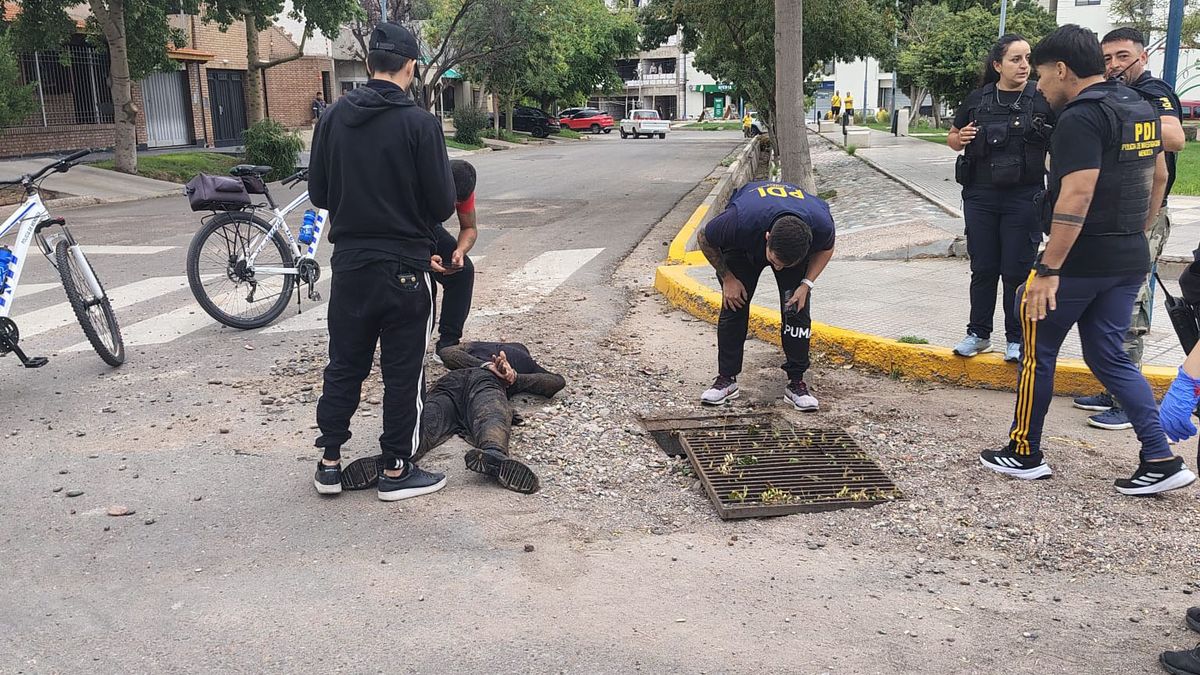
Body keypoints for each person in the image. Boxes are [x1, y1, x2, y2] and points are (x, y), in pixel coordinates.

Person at [978, 25, 1194, 496]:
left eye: (1041, 75)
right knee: (1111, 356)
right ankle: (1160, 457)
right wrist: (1136, 233)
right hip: (1128, 256)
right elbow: (1158, 175)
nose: (1038, 86)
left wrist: (1049, 269)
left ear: (1061, 69)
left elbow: (1077, 193)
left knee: (1038, 351)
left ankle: (1024, 452)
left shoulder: (1080, 117)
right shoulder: (1137, 106)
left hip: (1077, 261)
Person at [308, 22, 458, 502]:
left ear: (370, 63)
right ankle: (395, 469)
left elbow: (318, 193)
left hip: (350, 264)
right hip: (404, 269)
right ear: (411, 65)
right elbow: (440, 205)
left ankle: (329, 462)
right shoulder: (420, 124)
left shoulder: (331, 118)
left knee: (344, 364)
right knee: (403, 371)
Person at [1073, 27, 1187, 431]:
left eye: (1122, 56)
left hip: (1145, 215)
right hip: (1118, 214)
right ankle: (1113, 389)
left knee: (1131, 305)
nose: (1114, 65)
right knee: (1111, 306)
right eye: (1107, 58)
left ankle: (1127, 401)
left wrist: (1130, 120)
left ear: (1141, 56)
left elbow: (1174, 139)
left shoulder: (1152, 91)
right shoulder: (1114, 94)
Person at [947, 34, 1055, 362]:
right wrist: (959, 138)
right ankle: (978, 333)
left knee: (1016, 271)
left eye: (1027, 59)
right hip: (981, 195)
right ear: (998, 65)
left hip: (1024, 197)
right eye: (1015, 59)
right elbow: (953, 136)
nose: (1024, 65)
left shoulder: (1042, 97)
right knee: (983, 268)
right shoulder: (978, 99)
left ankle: (1016, 339)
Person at [335, 346, 566, 495]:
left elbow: (555, 382)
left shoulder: (523, 358)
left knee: (491, 411)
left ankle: (494, 456)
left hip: (484, 383)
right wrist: (485, 365)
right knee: (429, 419)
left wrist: (513, 377)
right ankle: (393, 460)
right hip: (455, 382)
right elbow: (447, 352)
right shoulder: (477, 347)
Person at [696, 181, 836, 411]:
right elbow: (704, 238)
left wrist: (806, 284)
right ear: (767, 237)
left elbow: (827, 248)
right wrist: (728, 278)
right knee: (734, 304)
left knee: (796, 308)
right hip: (745, 246)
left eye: (784, 265)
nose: (777, 269)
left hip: (788, 239)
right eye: (774, 262)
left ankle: (796, 382)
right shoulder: (737, 221)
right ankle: (726, 379)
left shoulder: (820, 223)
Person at [431, 159, 479, 355]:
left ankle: (448, 345)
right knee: (420, 283)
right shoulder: (419, 184)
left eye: (458, 202)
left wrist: (460, 250)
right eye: (452, 200)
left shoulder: (463, 190)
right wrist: (422, 257)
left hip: (430, 227)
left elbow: (469, 228)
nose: (453, 206)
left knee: (463, 272)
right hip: (398, 228)